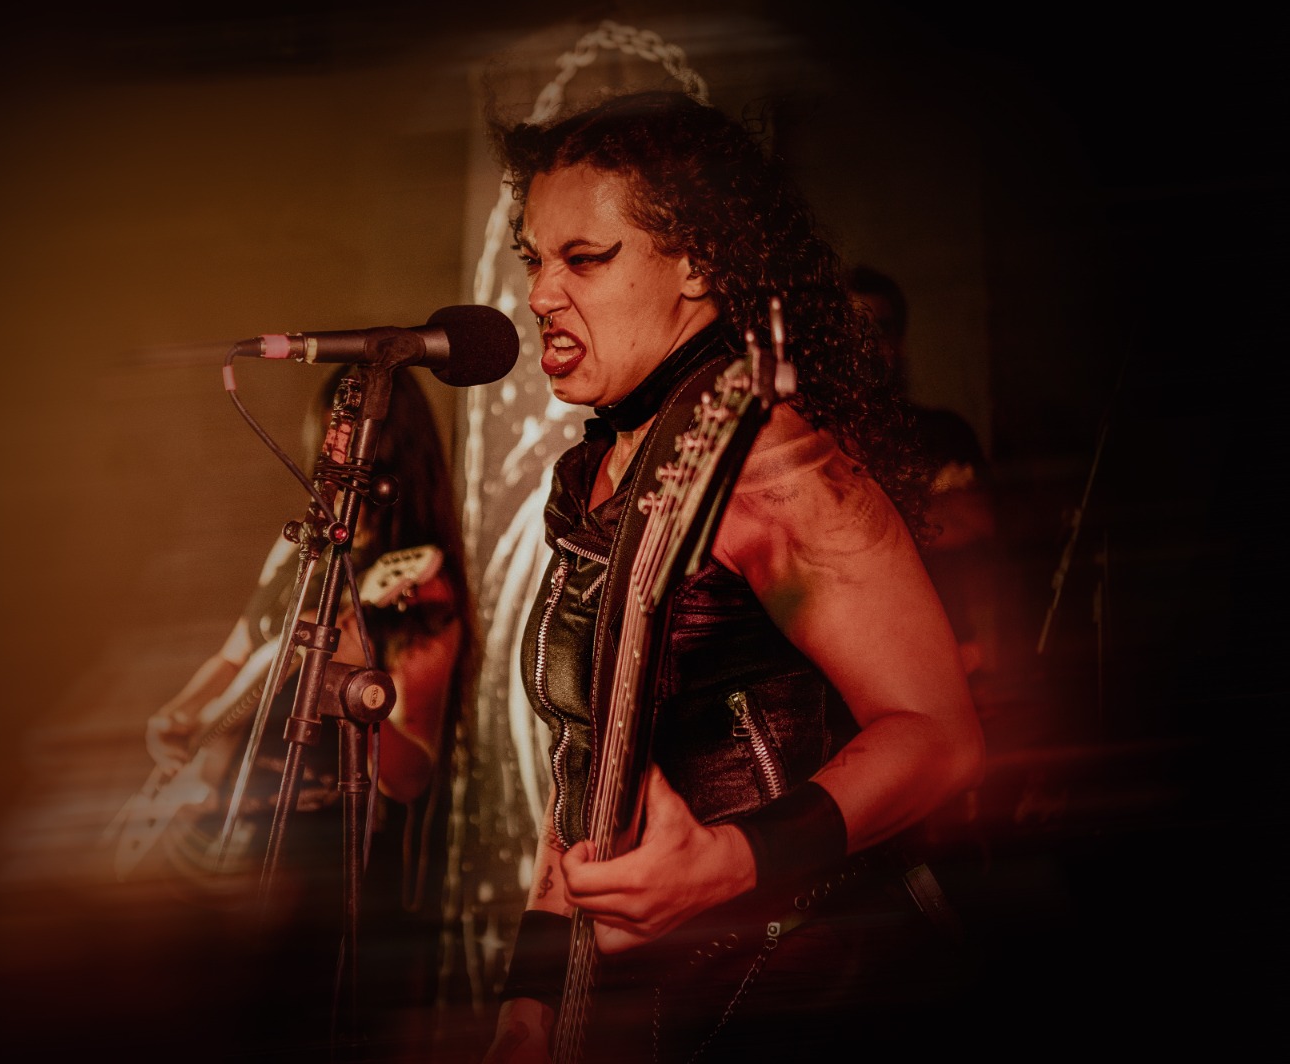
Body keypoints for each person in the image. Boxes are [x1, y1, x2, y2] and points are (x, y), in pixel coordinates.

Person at [480, 90, 986, 1061]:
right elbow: (587, 769)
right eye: (533, 258)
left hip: (821, 987)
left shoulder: (774, 463)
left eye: (586, 257)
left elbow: (939, 736)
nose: (541, 293)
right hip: (661, 1009)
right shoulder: (597, 471)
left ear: (701, 263)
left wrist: (733, 860)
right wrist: (529, 1001)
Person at [138, 365, 477, 1059]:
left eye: (351, 426)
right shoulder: (305, 542)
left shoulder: (419, 585)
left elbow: (412, 774)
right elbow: (237, 652)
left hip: (320, 858)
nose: (333, 443)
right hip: (230, 828)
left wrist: (348, 682)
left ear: (392, 444)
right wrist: (178, 713)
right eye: (330, 424)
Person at [847, 264, 999, 679]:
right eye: (854, 330)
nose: (867, 344)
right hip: (859, 666)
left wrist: (882, 516)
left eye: (880, 329)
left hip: (950, 658)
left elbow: (985, 522)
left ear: (899, 340)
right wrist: (929, 500)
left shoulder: (942, 432)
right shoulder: (815, 439)